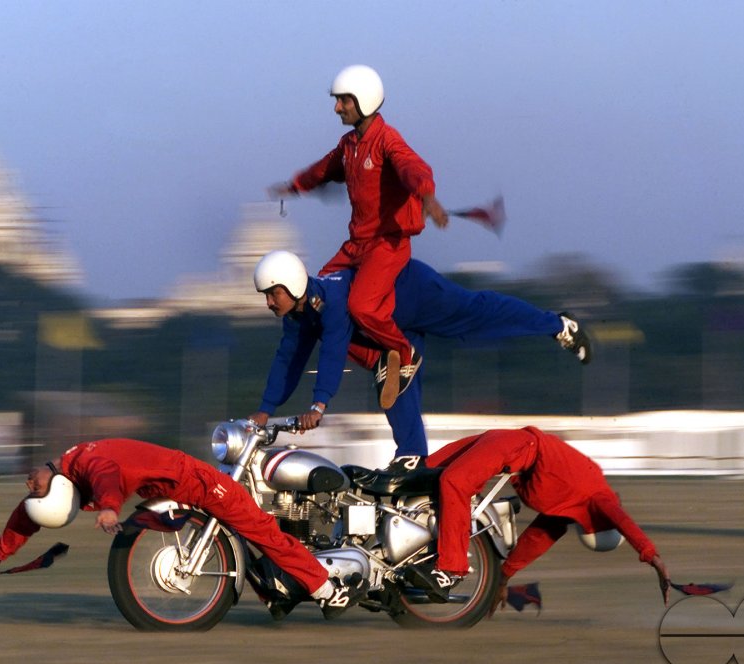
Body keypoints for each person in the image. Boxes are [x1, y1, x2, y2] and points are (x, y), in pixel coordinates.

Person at [248, 250, 591, 472]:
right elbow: (288, 360)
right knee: (392, 379)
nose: (269, 302)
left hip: (414, 293)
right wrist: (265, 409)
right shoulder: (300, 315)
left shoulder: (331, 300)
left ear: (293, 286)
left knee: (480, 314)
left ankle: (558, 325)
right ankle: (413, 457)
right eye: (266, 296)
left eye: (273, 293)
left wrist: (319, 405)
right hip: (393, 329)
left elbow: (334, 352)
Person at [0, 438, 367, 620]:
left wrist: (110, 507)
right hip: (193, 484)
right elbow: (101, 481)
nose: (27, 480)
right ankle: (294, 592)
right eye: (34, 486)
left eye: (32, 484)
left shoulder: (77, 463)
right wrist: (0, 556)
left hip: (194, 481)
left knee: (261, 532)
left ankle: (326, 588)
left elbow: (105, 477)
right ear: (57, 490)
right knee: (256, 534)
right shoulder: (77, 471)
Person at [269, 64, 449, 410]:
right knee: (315, 302)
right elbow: (324, 169)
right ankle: (378, 359)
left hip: (387, 242)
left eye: (343, 101)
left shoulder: (387, 141)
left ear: (364, 101)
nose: (337, 108)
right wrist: (296, 185)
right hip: (356, 245)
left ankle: (403, 352)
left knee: (361, 306)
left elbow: (414, 169)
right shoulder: (349, 144)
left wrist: (428, 198)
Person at [402, 427, 670, 612]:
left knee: (419, 473)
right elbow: (623, 521)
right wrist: (651, 556)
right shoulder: (601, 499)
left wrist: (502, 578)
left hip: (511, 442)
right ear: (595, 527)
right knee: (456, 482)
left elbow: (535, 541)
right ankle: (451, 569)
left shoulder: (568, 511)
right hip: (520, 446)